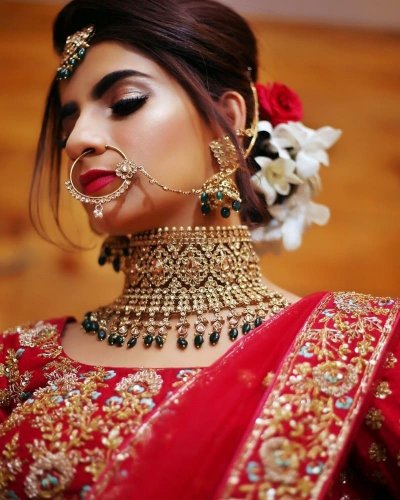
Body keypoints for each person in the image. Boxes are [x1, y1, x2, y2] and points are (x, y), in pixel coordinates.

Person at [0, 1, 399, 498]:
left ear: (225, 123)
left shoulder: (369, 350)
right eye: (67, 123)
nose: (77, 139)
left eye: (124, 102)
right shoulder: (17, 363)